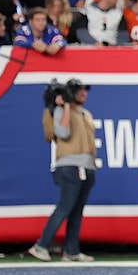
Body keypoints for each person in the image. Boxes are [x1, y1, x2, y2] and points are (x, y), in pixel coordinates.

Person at [27, 78, 97, 262]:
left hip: (86, 166)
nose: (84, 93)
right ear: (70, 94)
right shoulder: (60, 110)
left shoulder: (85, 114)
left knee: (76, 210)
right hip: (69, 165)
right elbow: (63, 133)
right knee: (65, 207)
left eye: (85, 90)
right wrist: (65, 106)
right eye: (80, 91)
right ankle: (41, 245)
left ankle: (71, 251)